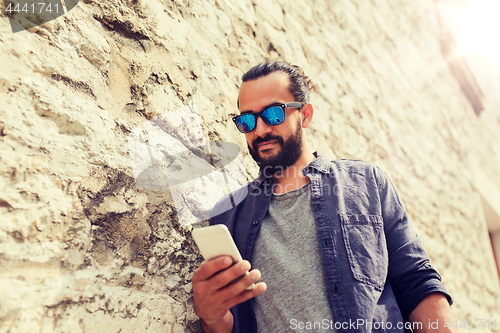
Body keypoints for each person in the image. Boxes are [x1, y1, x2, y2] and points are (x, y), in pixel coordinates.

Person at [192, 61, 458, 333]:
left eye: (273, 114)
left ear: (305, 115)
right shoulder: (228, 214)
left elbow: (416, 281)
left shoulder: (367, 182)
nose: (259, 130)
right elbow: (229, 324)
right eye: (247, 120)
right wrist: (211, 317)